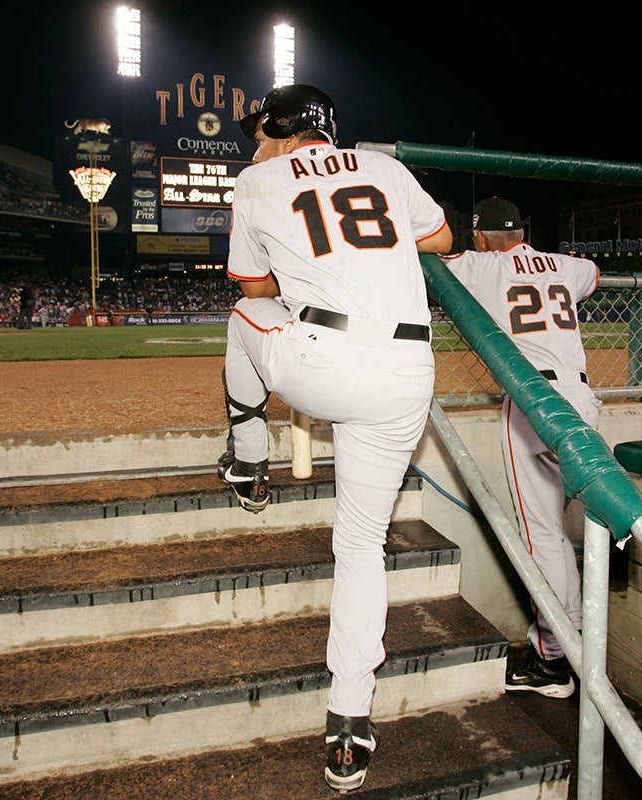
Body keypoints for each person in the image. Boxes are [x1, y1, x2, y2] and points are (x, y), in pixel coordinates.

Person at [217, 83, 451, 791]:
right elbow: (439, 240)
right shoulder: (381, 165)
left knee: (239, 316)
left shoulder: (258, 179)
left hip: (322, 362)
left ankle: (247, 460)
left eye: (261, 129)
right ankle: (349, 722)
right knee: (359, 547)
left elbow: (251, 286)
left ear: (286, 131)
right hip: (409, 372)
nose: (254, 140)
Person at [441, 196, 602, 699]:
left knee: (544, 538)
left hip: (535, 403)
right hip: (583, 400)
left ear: (483, 236)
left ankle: (553, 660)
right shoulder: (564, 265)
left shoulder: (481, 264)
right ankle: (576, 646)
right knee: (567, 534)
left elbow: (428, 264)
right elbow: (593, 274)